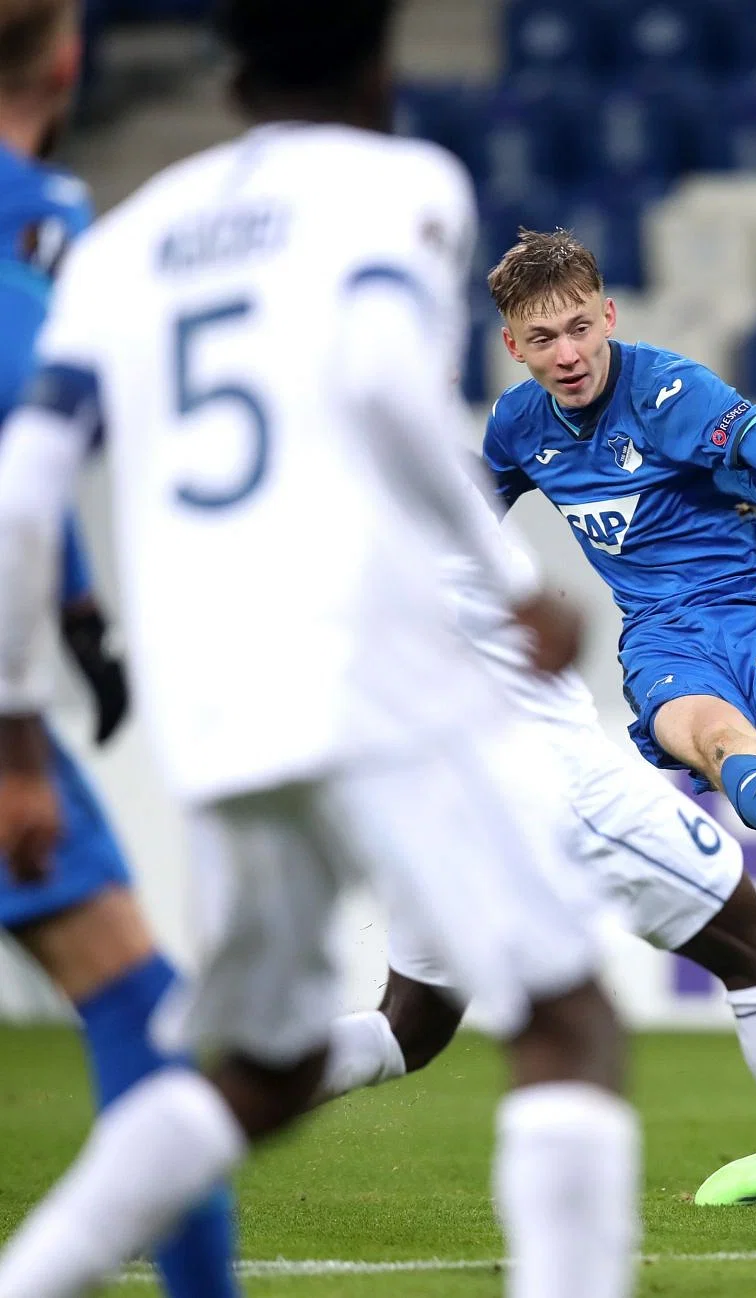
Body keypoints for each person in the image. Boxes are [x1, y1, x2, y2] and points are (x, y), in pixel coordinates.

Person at [0, 2, 641, 1295]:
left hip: (214, 707)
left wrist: (14, 724)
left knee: (264, 1068)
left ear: (231, 74)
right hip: (371, 669)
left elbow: (23, 487)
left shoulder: (123, 240)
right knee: (565, 1017)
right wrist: (514, 583)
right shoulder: (402, 185)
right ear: (383, 64)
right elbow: (381, 375)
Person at [315, 528, 756, 1260]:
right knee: (755, 950)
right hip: (548, 779)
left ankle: (204, 1105)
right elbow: (551, 627)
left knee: (407, 1028)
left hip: (421, 799)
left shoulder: (319, 528)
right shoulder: (420, 478)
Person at [481, 228, 756, 1206]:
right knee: (695, 730)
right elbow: (456, 533)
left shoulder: (671, 391)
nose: (567, 352)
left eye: (580, 327)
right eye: (543, 338)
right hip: (665, 634)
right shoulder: (515, 429)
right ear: (513, 347)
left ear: (609, 315)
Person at [0, 1, 235, 1292]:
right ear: (69, 54)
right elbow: (20, 469)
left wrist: (79, 612)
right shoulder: (48, 234)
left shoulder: (53, 220)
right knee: (145, 1017)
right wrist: (19, 744)